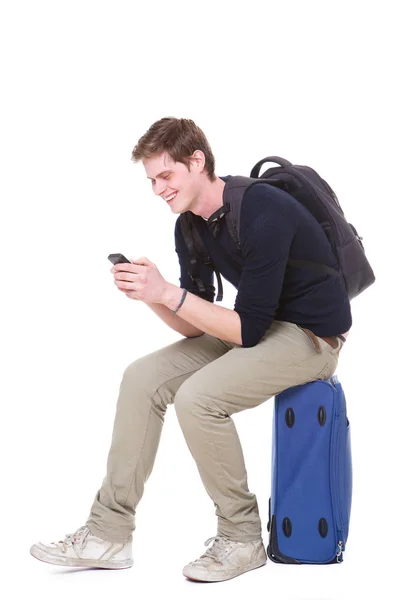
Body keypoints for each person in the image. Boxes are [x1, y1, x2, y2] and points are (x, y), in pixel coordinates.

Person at [30, 117, 351, 582]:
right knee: (142, 378)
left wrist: (168, 293)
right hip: (258, 325)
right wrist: (152, 295)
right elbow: (194, 323)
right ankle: (109, 532)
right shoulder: (191, 227)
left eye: (166, 176)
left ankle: (241, 538)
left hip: (311, 336)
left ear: (196, 161)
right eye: (151, 181)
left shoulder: (264, 209)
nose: (159, 188)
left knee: (200, 398)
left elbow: (246, 330)